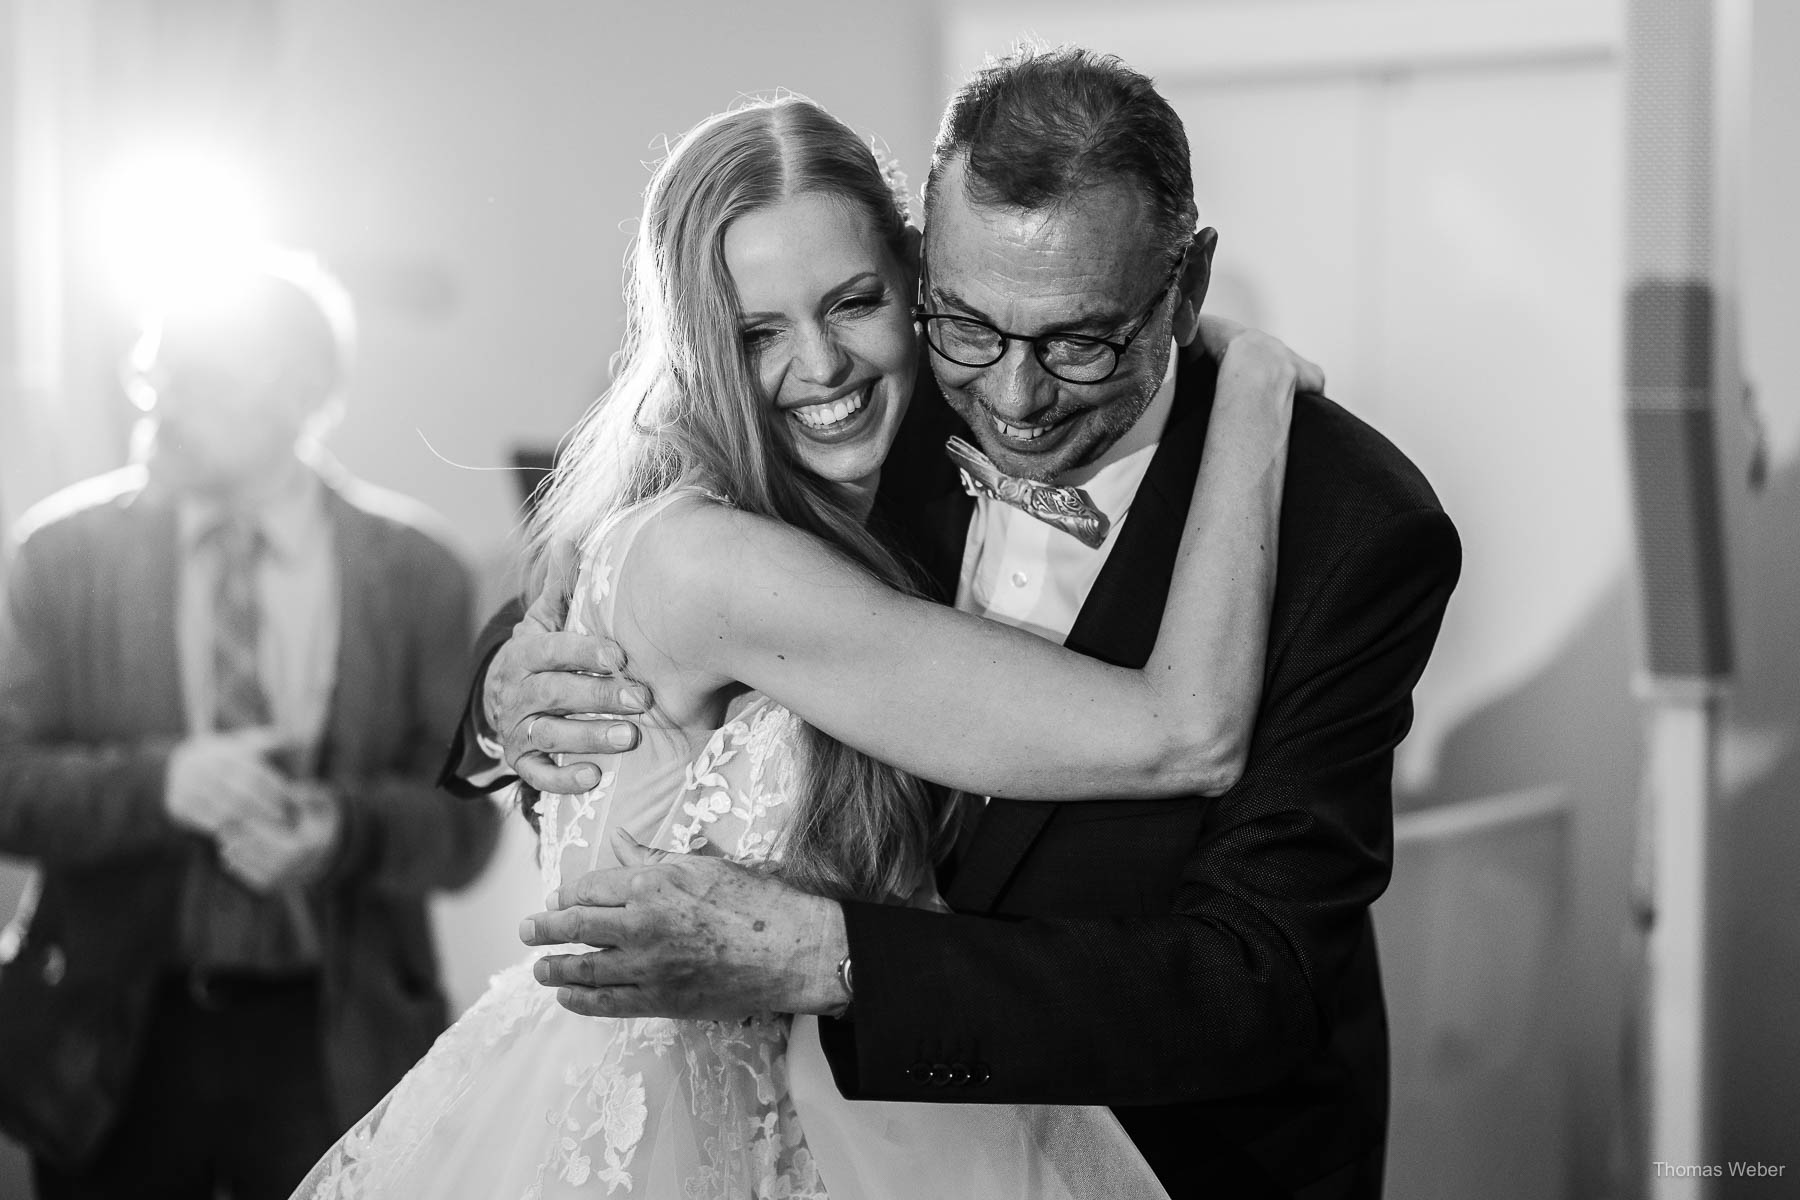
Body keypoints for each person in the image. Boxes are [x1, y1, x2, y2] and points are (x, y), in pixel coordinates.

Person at [296, 90, 1313, 1199]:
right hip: (667, 1135)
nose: (822, 366)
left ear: (915, 275)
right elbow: (1181, 732)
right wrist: (1253, 385)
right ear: (697, 348)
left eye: (854, 303)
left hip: (872, 1103)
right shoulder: (708, 558)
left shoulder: (871, 458)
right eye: (756, 334)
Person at [494, 47, 1463, 1200]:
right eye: (966, 326)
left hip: (1181, 1158)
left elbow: (1252, 978)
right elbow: (613, 593)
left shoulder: (1351, 529)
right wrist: (500, 694)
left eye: (1079, 342)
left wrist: (833, 957)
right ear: (924, 268)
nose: (1012, 397)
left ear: (1186, 285)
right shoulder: (847, 416)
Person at [0, 248, 503, 1200]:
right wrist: (162, 783)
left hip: (339, 1046)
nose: (163, 404)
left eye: (197, 380)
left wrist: (343, 831)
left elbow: (466, 828)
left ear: (298, 392)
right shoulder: (59, 557)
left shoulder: (418, 573)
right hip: (111, 1045)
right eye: (155, 373)